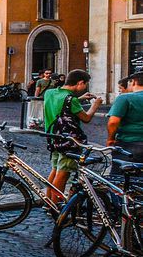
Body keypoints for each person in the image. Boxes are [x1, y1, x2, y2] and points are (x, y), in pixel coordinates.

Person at [42, 70, 102, 202]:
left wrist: (79, 99)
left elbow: (62, 103)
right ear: (80, 82)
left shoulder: (50, 93)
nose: (85, 87)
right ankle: (56, 206)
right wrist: (95, 106)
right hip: (68, 140)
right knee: (63, 173)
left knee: (54, 169)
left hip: (53, 137)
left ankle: (48, 202)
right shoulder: (71, 100)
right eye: (85, 84)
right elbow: (86, 118)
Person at [108, 72, 143, 173]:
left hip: (128, 143)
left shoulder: (125, 98)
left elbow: (113, 122)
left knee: (120, 179)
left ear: (133, 82)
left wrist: (110, 139)